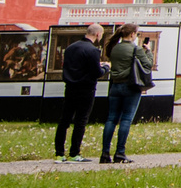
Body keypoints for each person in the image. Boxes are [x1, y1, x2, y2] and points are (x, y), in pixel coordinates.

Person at [100, 25, 153, 164]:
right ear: (132, 34)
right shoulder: (136, 49)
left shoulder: (114, 48)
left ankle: (105, 153)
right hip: (130, 86)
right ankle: (120, 152)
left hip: (115, 86)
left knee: (111, 119)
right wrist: (148, 52)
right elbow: (148, 65)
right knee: (126, 119)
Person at [55, 27, 106, 163]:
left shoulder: (71, 47)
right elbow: (97, 73)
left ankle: (59, 153)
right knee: (80, 121)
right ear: (97, 34)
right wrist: (105, 67)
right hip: (86, 89)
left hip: (70, 87)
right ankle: (74, 153)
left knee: (64, 120)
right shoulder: (93, 50)